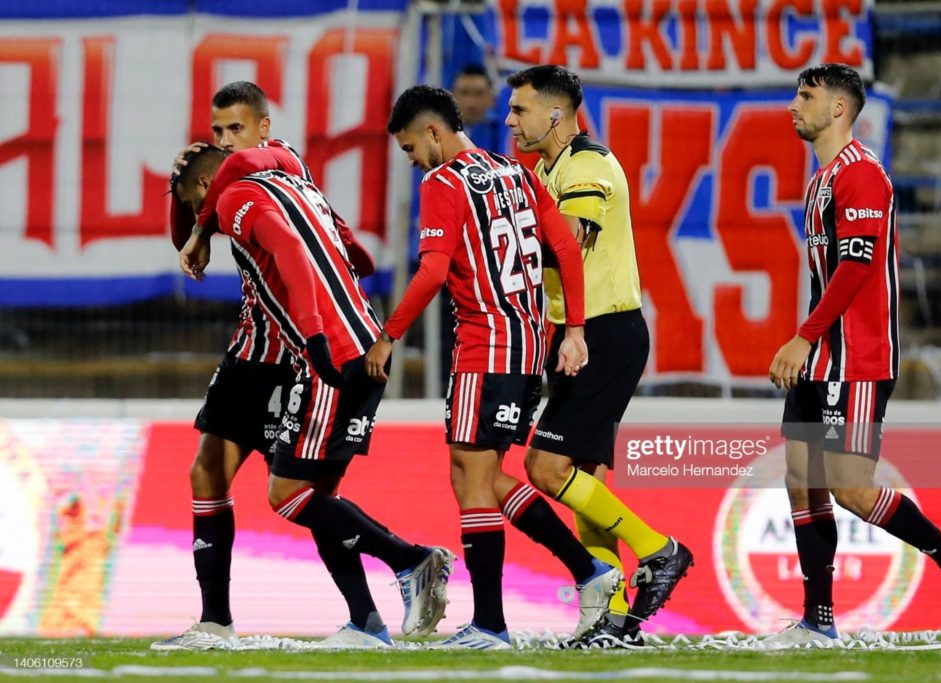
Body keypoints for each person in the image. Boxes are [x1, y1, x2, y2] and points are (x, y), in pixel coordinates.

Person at [153, 81, 424, 651]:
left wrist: (203, 217)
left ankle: (396, 580)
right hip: (256, 351)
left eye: (236, 130)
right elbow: (188, 239)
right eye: (218, 131)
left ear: (264, 128)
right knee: (209, 471)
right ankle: (218, 620)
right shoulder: (270, 176)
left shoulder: (262, 172)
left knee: (303, 492)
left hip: (300, 350)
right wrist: (182, 196)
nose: (227, 142)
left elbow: (283, 244)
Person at [369, 85, 622, 649]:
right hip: (527, 348)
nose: (413, 163)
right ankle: (585, 576)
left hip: (486, 346)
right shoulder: (515, 172)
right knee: (474, 477)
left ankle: (498, 620)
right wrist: (573, 329)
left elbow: (433, 271)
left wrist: (388, 336)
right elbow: (564, 245)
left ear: (433, 133)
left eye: (411, 149)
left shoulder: (444, 182)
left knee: (472, 478)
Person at [765, 63, 941, 647]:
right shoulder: (822, 180)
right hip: (824, 360)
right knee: (800, 479)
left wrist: (804, 336)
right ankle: (818, 621)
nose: (794, 104)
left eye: (806, 95)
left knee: (852, 489)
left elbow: (857, 266)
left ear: (839, 108)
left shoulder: (862, 174)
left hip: (857, 358)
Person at [504, 64, 693, 647]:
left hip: (602, 335)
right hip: (580, 335)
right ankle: (610, 619)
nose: (511, 120)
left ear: (555, 115)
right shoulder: (549, 167)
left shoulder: (588, 166)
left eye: (520, 110)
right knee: (584, 480)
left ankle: (660, 550)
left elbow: (570, 243)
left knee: (545, 468)